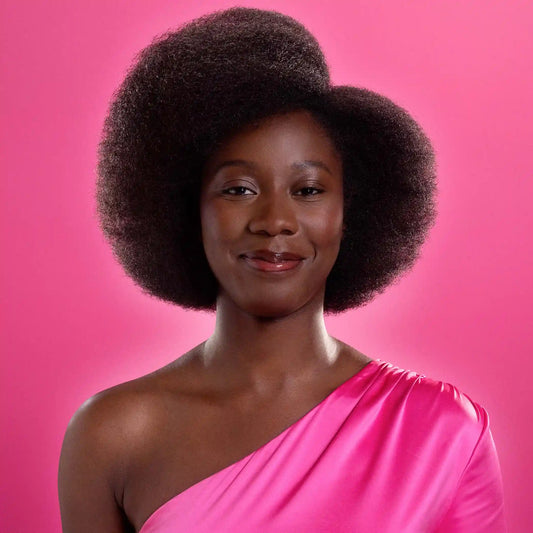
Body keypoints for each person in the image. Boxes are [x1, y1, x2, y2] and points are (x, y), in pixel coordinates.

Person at [58, 7, 506, 532]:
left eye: (308, 190)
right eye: (239, 189)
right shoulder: (113, 435)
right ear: (186, 208)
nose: (274, 221)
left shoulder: (443, 433)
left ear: (352, 212)